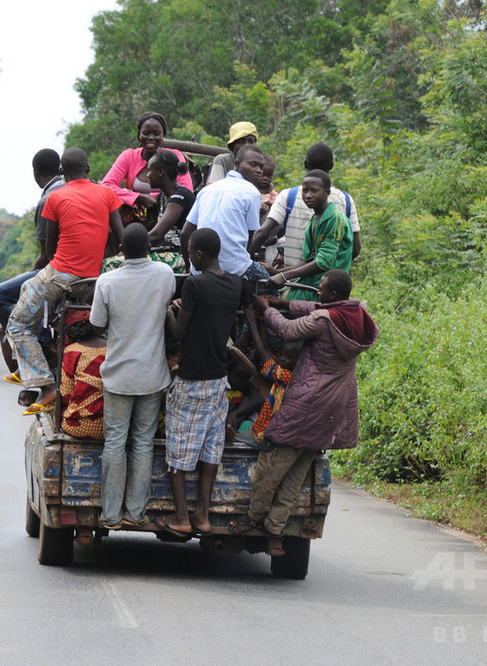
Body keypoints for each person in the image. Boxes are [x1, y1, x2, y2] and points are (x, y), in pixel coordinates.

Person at [230, 270, 378, 553]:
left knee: (271, 463)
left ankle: (253, 517)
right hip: (334, 407)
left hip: (308, 401)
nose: (317, 292)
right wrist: (282, 303)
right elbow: (318, 308)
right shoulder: (357, 314)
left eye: (320, 288)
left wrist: (265, 310)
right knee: (297, 473)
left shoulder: (323, 322)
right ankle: (275, 527)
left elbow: (288, 330)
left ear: (332, 294)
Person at [6, 147, 124, 415]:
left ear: (62, 172)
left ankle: (44, 384)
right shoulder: (107, 193)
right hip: (94, 274)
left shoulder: (55, 197)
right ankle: (26, 364)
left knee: (16, 323)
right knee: (27, 288)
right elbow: (119, 237)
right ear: (88, 170)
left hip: (62, 272)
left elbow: (48, 252)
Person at [156, 228, 241, 536]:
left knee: (178, 453)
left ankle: (181, 517)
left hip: (191, 380)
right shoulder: (234, 284)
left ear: (200, 254)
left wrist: (169, 310)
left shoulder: (194, 284)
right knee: (209, 453)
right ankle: (202, 516)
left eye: (190, 252)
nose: (188, 256)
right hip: (219, 380)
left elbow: (178, 332)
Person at [90, 225, 176, 529]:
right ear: (149, 249)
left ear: (121, 250)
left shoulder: (107, 281)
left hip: (118, 375)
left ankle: (110, 515)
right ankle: (136, 512)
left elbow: (97, 325)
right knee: (142, 442)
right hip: (152, 375)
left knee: (114, 442)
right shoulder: (165, 274)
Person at [0, 149, 64, 384]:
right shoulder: (74, 191)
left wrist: (30, 282)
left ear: (35, 172)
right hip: (82, 265)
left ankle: (39, 341)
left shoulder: (47, 200)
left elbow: (45, 256)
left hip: (56, 268)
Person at [251, 142, 362, 267]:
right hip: (328, 282)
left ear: (305, 164)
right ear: (331, 166)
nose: (309, 196)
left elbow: (263, 232)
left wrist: (244, 258)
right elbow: (355, 248)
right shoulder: (345, 200)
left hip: (290, 279)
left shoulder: (288, 196)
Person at [180, 144, 268, 282]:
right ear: (237, 164)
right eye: (253, 165)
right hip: (235, 270)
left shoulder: (207, 190)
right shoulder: (252, 193)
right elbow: (252, 237)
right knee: (271, 287)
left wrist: (190, 268)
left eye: (261, 167)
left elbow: (185, 233)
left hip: (200, 270)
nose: (258, 171)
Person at [267, 169, 352, 301]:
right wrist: (277, 272)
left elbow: (323, 262)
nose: (308, 195)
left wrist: (284, 277)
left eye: (314, 190)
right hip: (310, 284)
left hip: (325, 291)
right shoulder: (315, 218)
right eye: (305, 191)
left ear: (327, 193)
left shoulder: (334, 219)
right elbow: (308, 259)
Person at [101, 111, 195, 214]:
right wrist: (139, 197)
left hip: (169, 213)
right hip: (136, 215)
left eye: (156, 133)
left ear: (163, 136)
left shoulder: (174, 156)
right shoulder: (128, 156)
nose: (151, 137)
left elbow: (187, 190)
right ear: (139, 135)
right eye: (146, 133)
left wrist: (155, 198)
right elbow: (106, 185)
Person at [59, 311, 106, 440]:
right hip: (114, 427)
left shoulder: (72, 351)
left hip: (78, 426)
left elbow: (66, 394)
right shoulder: (115, 347)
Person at [256, 154, 278, 223]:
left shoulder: (271, 192)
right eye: (263, 175)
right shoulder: (250, 188)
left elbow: (277, 205)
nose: (265, 178)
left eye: (269, 176)